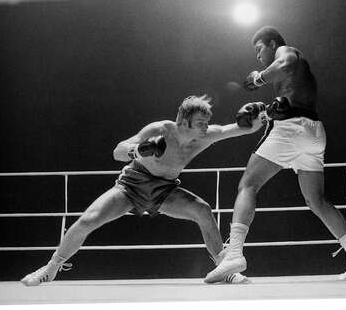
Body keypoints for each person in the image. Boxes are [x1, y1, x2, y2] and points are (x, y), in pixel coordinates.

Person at [21, 95, 266, 286]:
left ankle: (224, 269)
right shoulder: (160, 130)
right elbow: (118, 151)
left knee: (202, 209)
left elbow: (234, 129)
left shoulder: (205, 136)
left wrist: (256, 120)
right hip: (132, 185)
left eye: (206, 122)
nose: (205, 127)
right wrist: (137, 151)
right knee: (88, 220)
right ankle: (51, 268)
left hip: (165, 190)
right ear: (183, 121)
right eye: (200, 123)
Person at [205, 26, 346, 283]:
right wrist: (265, 110)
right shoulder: (296, 80)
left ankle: (234, 254)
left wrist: (259, 78)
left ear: (273, 43)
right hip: (313, 133)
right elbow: (290, 100)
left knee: (248, 184)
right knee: (317, 200)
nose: (258, 55)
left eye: (259, 49)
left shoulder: (286, 51)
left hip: (292, 130)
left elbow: (285, 63)